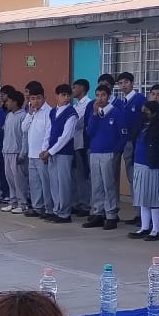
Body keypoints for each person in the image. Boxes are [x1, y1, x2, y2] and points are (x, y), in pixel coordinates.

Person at [83, 83, 126, 229]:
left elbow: (123, 134)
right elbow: (90, 132)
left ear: (108, 96)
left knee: (109, 185)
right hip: (95, 152)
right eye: (97, 95)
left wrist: (116, 150)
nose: (100, 98)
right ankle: (98, 213)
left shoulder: (115, 112)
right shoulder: (94, 112)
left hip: (109, 153)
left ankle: (111, 214)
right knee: (96, 185)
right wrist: (94, 114)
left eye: (103, 95)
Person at [129, 100, 159, 241]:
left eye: (147, 111)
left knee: (153, 199)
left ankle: (156, 229)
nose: (143, 113)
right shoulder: (142, 125)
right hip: (139, 165)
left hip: (153, 167)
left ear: (154, 113)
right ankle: (144, 227)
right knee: (143, 199)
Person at [41, 84, 79, 223]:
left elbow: (66, 137)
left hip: (64, 153)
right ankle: (57, 210)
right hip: (51, 152)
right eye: (63, 95)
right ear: (56, 96)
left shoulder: (71, 113)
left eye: (68, 95)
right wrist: (44, 148)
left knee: (63, 183)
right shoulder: (53, 111)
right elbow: (49, 131)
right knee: (54, 182)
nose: (66, 97)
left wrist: (50, 151)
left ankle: (65, 213)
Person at [23, 83, 52, 218]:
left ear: (44, 97)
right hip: (32, 154)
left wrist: (45, 150)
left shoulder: (49, 112)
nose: (35, 101)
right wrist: (29, 114)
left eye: (38, 98)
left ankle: (48, 208)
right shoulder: (32, 112)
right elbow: (23, 128)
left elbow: (48, 133)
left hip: (42, 154)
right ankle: (37, 207)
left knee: (45, 182)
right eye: (33, 98)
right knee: (34, 183)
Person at [116, 72, 145, 208]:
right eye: (120, 83)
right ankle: (137, 209)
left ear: (132, 83)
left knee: (136, 177)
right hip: (125, 142)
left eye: (126, 82)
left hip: (137, 142)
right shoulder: (122, 102)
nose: (123, 85)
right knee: (131, 176)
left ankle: (141, 211)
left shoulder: (140, 99)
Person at [0, 91, 29, 214]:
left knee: (19, 180)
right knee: (10, 178)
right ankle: (13, 202)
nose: (6, 103)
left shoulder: (23, 116)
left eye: (8, 101)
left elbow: (25, 137)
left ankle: (23, 203)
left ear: (15, 102)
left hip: (17, 152)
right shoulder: (8, 116)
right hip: (7, 151)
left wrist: (22, 153)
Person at [69, 79, 93, 217]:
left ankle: (84, 204)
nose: (72, 90)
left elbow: (77, 123)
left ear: (82, 88)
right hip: (72, 143)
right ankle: (75, 203)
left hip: (81, 144)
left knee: (82, 175)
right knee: (73, 175)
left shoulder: (88, 104)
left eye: (75, 87)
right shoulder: (76, 104)